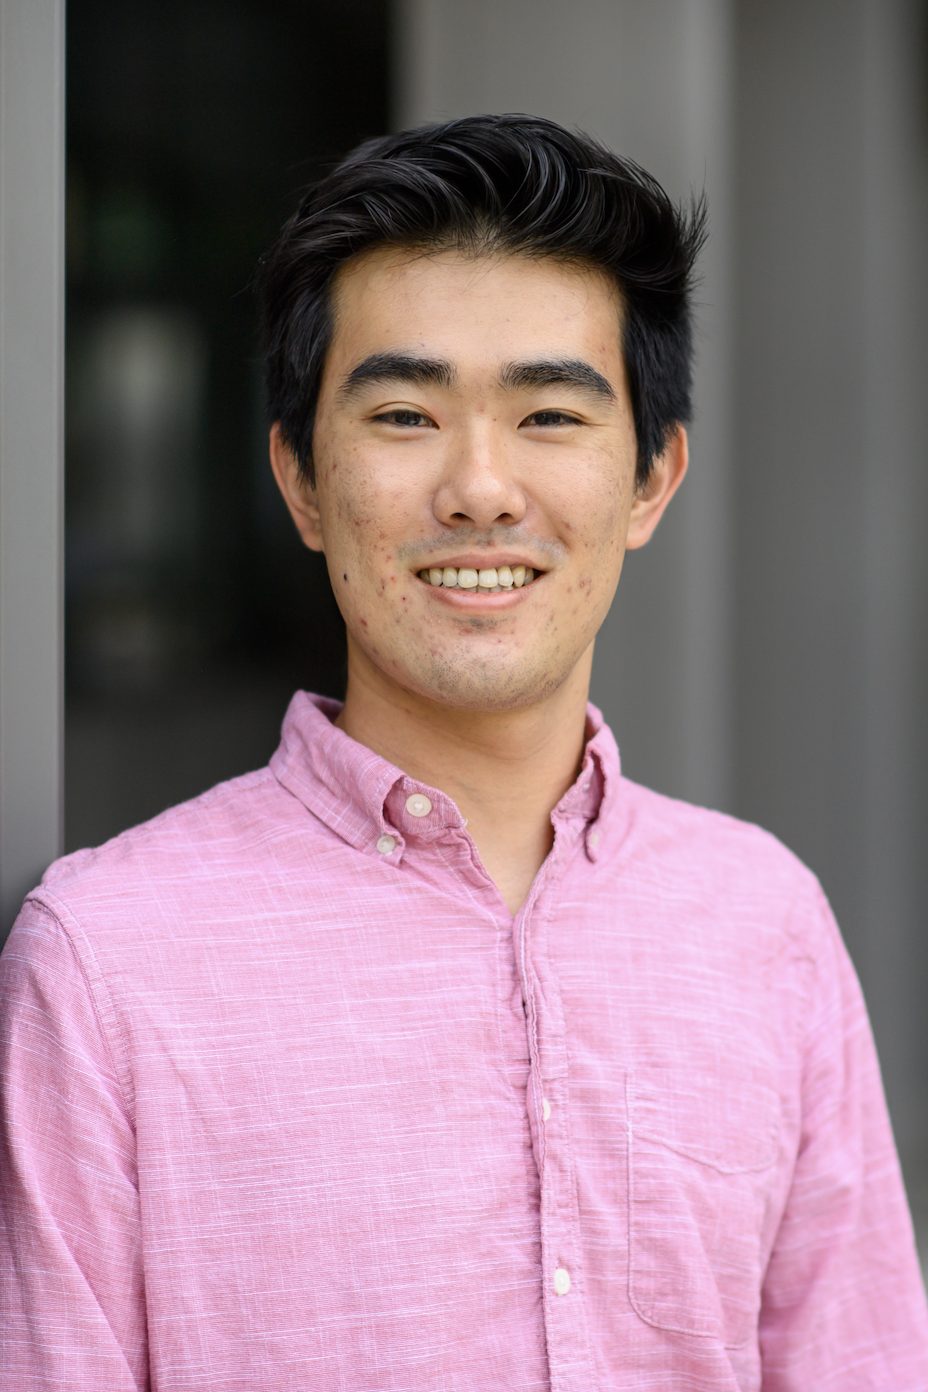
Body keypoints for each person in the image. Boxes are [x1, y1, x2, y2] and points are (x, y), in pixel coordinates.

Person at [1, 113, 926, 1392]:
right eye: (403, 414)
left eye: (551, 415)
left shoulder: (762, 925)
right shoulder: (106, 965)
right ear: (301, 482)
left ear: (652, 478)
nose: (481, 488)